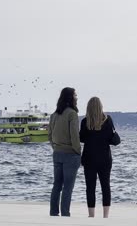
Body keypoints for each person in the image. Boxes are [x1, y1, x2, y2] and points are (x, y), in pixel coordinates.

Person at [80, 97, 118, 218]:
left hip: (89, 158)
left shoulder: (85, 121)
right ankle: (105, 216)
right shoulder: (108, 120)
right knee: (105, 186)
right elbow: (112, 138)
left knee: (90, 188)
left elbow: (81, 138)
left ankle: (91, 216)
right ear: (100, 106)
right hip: (105, 159)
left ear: (88, 107)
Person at [48, 87, 81, 217]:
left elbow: (49, 136)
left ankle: (53, 212)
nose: (76, 97)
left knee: (57, 185)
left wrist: (56, 148)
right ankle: (65, 213)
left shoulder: (54, 115)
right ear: (70, 97)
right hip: (70, 154)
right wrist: (78, 152)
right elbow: (74, 136)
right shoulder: (72, 114)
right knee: (68, 187)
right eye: (75, 95)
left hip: (57, 153)